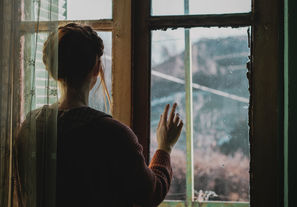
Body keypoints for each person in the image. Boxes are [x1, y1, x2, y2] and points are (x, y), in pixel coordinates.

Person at [14, 23, 183, 207]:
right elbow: (150, 194)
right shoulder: (113, 134)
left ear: (52, 71)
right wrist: (164, 148)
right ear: (96, 68)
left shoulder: (31, 125)